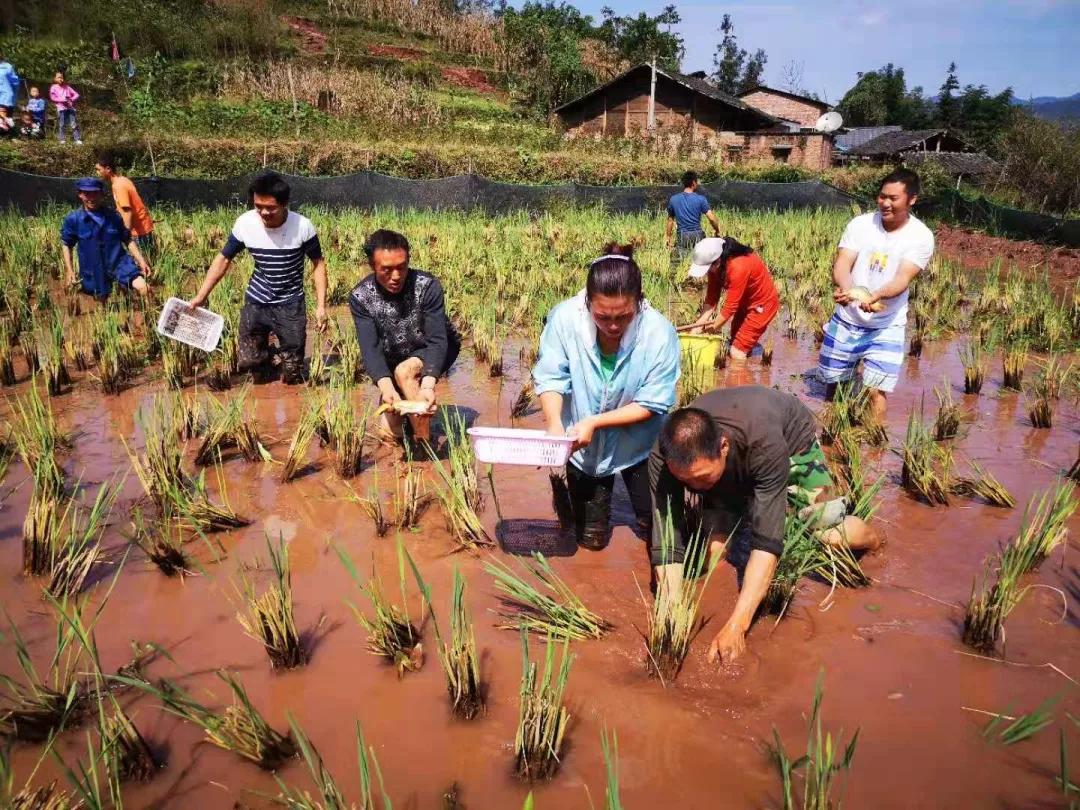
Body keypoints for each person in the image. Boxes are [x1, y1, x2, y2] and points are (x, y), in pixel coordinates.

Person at [649, 386, 880, 664]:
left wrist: (738, 625)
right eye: (685, 481)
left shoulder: (765, 444)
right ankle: (728, 489)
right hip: (735, 447)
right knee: (714, 553)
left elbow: (766, 544)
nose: (694, 489)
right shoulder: (663, 457)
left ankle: (875, 538)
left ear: (723, 447)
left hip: (790, 440)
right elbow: (665, 539)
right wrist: (672, 609)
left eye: (700, 478)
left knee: (826, 532)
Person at [534, 244, 680, 550]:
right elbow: (550, 376)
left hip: (639, 443)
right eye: (602, 316)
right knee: (592, 542)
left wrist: (596, 422)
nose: (613, 326)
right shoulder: (564, 319)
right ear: (588, 302)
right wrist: (553, 424)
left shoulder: (659, 333)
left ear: (638, 303)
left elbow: (655, 401)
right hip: (583, 450)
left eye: (623, 316)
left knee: (656, 528)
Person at [817, 168, 934, 422]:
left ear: (912, 199)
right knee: (834, 385)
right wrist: (848, 290)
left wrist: (876, 296)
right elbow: (842, 263)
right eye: (882, 196)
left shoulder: (921, 236)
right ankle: (828, 434)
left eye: (893, 198)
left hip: (886, 323)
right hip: (846, 319)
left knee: (875, 391)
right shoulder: (860, 224)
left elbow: (903, 278)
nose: (885, 203)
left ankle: (874, 447)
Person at [189, 172, 327, 385]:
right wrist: (201, 295)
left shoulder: (302, 226)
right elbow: (224, 259)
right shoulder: (245, 223)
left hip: (290, 303)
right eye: (258, 206)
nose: (263, 212)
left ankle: (285, 361)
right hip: (257, 301)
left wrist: (320, 306)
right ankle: (266, 359)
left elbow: (318, 264)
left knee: (293, 373)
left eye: (270, 207)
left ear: (285, 204)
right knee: (252, 364)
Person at [349, 229, 460, 443]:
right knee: (389, 434)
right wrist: (387, 388)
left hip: (431, 348)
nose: (396, 276)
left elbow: (437, 340)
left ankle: (425, 442)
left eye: (402, 267)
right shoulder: (360, 297)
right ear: (372, 267)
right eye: (387, 270)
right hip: (393, 354)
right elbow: (370, 349)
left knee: (405, 372)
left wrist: (428, 385)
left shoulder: (427, 286)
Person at [686, 236, 780, 361]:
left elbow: (730, 307)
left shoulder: (738, 266)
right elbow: (711, 299)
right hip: (744, 303)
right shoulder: (715, 268)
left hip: (762, 305)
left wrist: (712, 328)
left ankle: (743, 377)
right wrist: (697, 327)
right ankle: (748, 357)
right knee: (735, 341)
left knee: (736, 353)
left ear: (717, 261)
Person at [60, 177, 151, 300]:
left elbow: (128, 239)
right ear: (80, 195)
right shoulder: (74, 219)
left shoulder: (113, 217)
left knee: (144, 288)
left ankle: (145, 316)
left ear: (101, 194)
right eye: (87, 194)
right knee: (102, 301)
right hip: (93, 270)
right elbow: (67, 244)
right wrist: (69, 271)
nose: (91, 198)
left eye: (95, 194)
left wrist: (141, 261)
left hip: (119, 263)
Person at [96, 150, 155, 258]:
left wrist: (125, 236)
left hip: (138, 233)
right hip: (143, 229)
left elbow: (127, 212)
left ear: (108, 169)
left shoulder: (119, 186)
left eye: (99, 169)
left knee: (139, 267)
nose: (97, 172)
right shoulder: (122, 180)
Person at [665, 171, 720, 256]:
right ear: (694, 183)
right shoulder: (701, 199)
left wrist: (668, 237)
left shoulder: (674, 199)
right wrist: (717, 230)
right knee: (701, 260)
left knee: (681, 261)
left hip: (683, 236)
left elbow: (670, 221)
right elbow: (712, 218)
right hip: (698, 235)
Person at [50, 71, 82, 145]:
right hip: (61, 108)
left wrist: (71, 99)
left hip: (70, 108)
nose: (61, 79)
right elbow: (53, 98)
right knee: (62, 124)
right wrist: (62, 100)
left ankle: (77, 139)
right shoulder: (53, 87)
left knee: (73, 123)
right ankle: (62, 139)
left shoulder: (67, 87)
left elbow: (76, 94)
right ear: (54, 78)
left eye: (62, 77)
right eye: (59, 77)